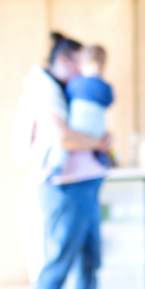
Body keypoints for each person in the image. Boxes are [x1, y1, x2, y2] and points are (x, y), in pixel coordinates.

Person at [16, 32, 128, 289]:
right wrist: (98, 141)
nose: (86, 71)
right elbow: (63, 138)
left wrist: (98, 141)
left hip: (86, 183)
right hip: (64, 188)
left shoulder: (68, 89)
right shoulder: (43, 89)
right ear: (65, 61)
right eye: (81, 63)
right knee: (57, 264)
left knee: (89, 264)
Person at [54, 44, 113, 184]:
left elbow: (67, 97)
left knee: (64, 148)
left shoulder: (75, 82)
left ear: (81, 65)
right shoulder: (105, 86)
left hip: (78, 124)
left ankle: (56, 167)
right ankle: (103, 158)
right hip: (97, 127)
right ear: (103, 65)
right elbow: (109, 100)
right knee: (101, 142)